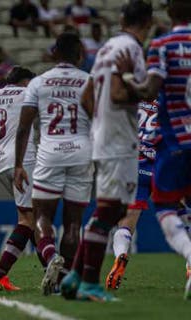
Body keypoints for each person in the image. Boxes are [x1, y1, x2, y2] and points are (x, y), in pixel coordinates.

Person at [59, 0, 153, 302]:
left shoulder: (105, 49)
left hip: (104, 138)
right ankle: (89, 283)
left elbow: (88, 95)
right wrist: (143, 90)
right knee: (109, 212)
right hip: (119, 142)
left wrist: (99, 124)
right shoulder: (132, 51)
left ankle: (74, 275)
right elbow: (117, 92)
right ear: (148, 23)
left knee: (113, 211)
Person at [115, 0, 191, 299]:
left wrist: (127, 80)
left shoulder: (162, 47)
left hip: (154, 154)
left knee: (138, 216)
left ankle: (121, 253)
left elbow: (145, 90)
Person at [15, 32, 93, 296]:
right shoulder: (90, 81)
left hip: (50, 154)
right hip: (82, 152)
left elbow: (24, 126)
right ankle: (64, 282)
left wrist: (18, 165)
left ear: (54, 53)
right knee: (73, 225)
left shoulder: (38, 83)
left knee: (42, 217)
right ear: (80, 55)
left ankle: (51, 259)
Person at [0, 66, 40, 291]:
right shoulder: (26, 94)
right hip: (21, 161)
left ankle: (52, 271)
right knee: (28, 220)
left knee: (31, 216)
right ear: (25, 82)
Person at [105, 100, 159, 290]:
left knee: (126, 222)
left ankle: (120, 255)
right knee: (181, 214)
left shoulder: (135, 100)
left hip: (135, 165)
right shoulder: (173, 101)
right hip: (162, 166)